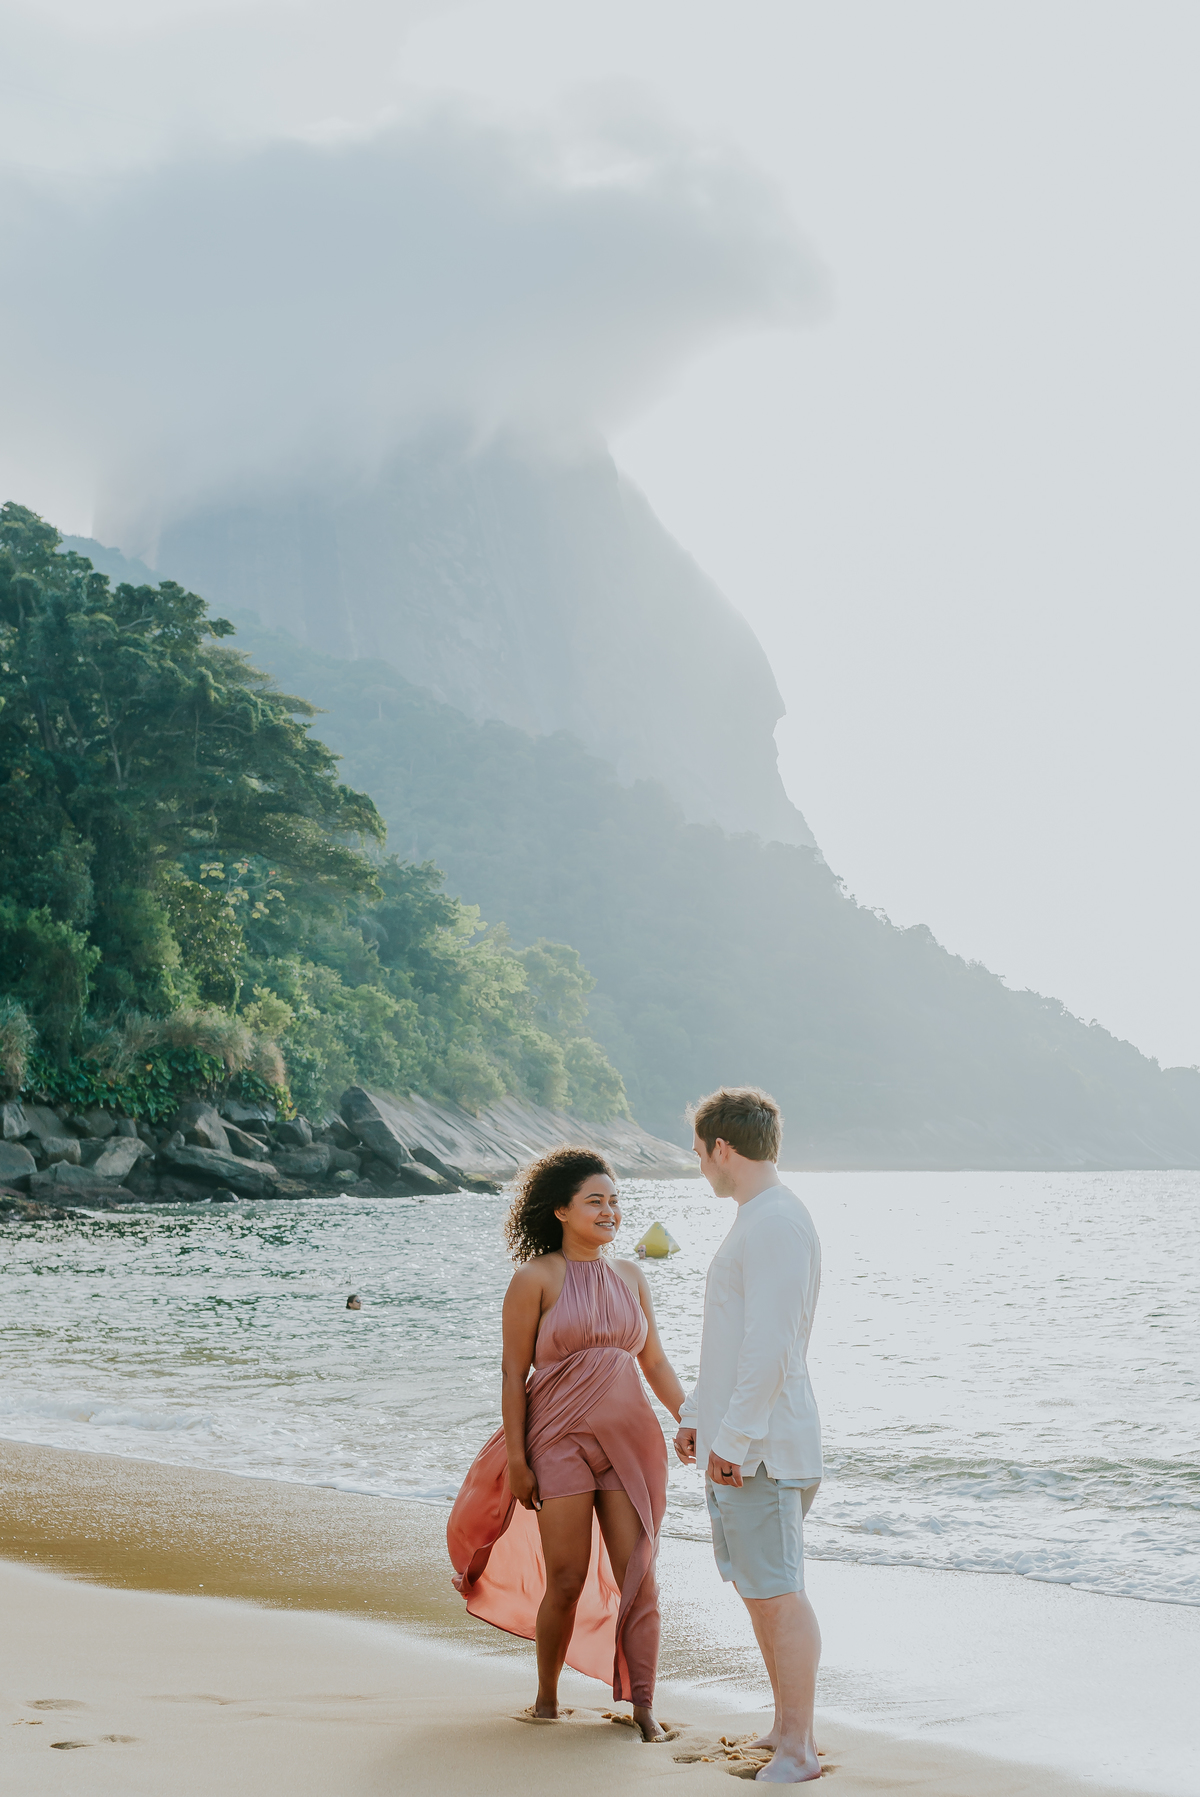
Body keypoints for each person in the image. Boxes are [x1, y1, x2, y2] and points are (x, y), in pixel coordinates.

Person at [447, 1147, 686, 1740]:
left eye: (615, 1201)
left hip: (631, 1442)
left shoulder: (632, 1275)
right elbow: (512, 1373)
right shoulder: (535, 1279)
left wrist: (691, 1417)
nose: (610, 1211)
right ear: (560, 1210)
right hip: (558, 1442)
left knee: (640, 1572)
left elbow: (652, 1360)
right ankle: (547, 1698)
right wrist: (520, 1461)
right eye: (595, 1201)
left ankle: (643, 1706)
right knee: (568, 1577)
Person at [674, 1087, 823, 1784]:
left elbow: (770, 1346)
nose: (700, 1164)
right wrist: (698, 1417)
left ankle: (799, 1746)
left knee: (778, 1589)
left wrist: (732, 1438)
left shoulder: (775, 1223)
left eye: (700, 1152)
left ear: (722, 1149)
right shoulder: (757, 1219)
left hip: (764, 1448)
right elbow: (728, 1345)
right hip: (743, 1441)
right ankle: (783, 1727)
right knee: (761, 1588)